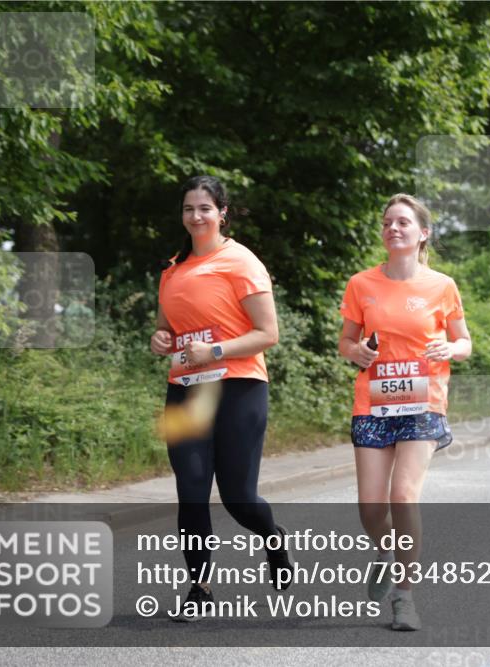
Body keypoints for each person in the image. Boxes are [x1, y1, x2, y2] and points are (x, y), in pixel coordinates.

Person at [151, 175, 291, 622]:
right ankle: (200, 586)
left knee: (238, 498)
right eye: (189, 208)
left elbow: (268, 334)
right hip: (186, 389)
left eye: (205, 208)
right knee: (190, 490)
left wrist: (213, 350)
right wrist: (160, 339)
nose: (196, 216)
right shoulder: (172, 269)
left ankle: (273, 538)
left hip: (239, 387)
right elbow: (167, 329)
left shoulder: (241, 261)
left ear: (222, 212)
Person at [338, 193, 471, 631]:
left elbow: (464, 343)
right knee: (371, 507)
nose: (394, 228)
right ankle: (384, 549)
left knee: (403, 494)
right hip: (373, 402)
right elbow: (346, 343)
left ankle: (405, 596)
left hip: (422, 401)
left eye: (403, 222)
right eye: (388, 223)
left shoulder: (442, 285)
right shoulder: (361, 284)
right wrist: (356, 352)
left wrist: (451, 347)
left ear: (423, 233)